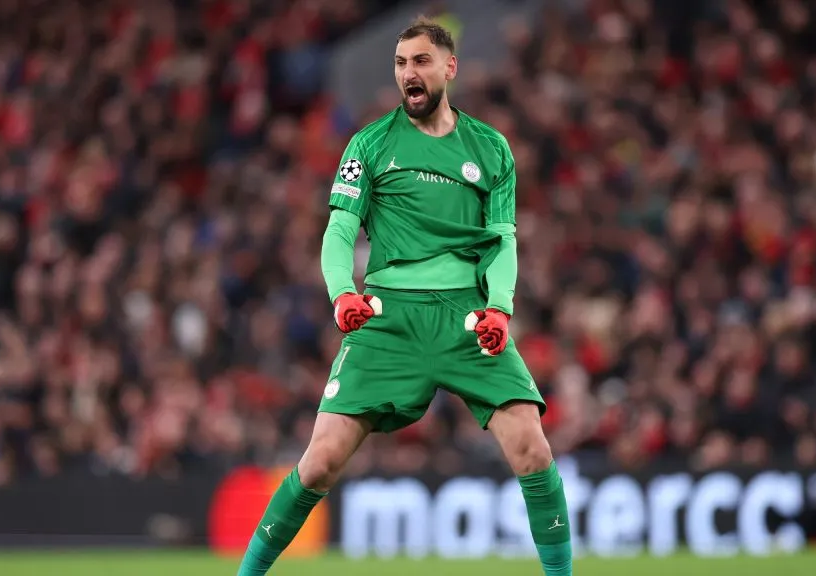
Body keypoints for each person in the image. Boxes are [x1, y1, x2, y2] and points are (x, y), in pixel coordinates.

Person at [237, 18, 572, 576]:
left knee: (533, 450)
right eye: (400, 63)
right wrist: (342, 292)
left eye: (419, 61)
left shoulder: (490, 148)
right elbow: (340, 231)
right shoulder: (369, 144)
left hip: (468, 319)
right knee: (319, 463)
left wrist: (499, 307)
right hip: (388, 320)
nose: (408, 73)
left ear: (449, 68)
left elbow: (503, 241)